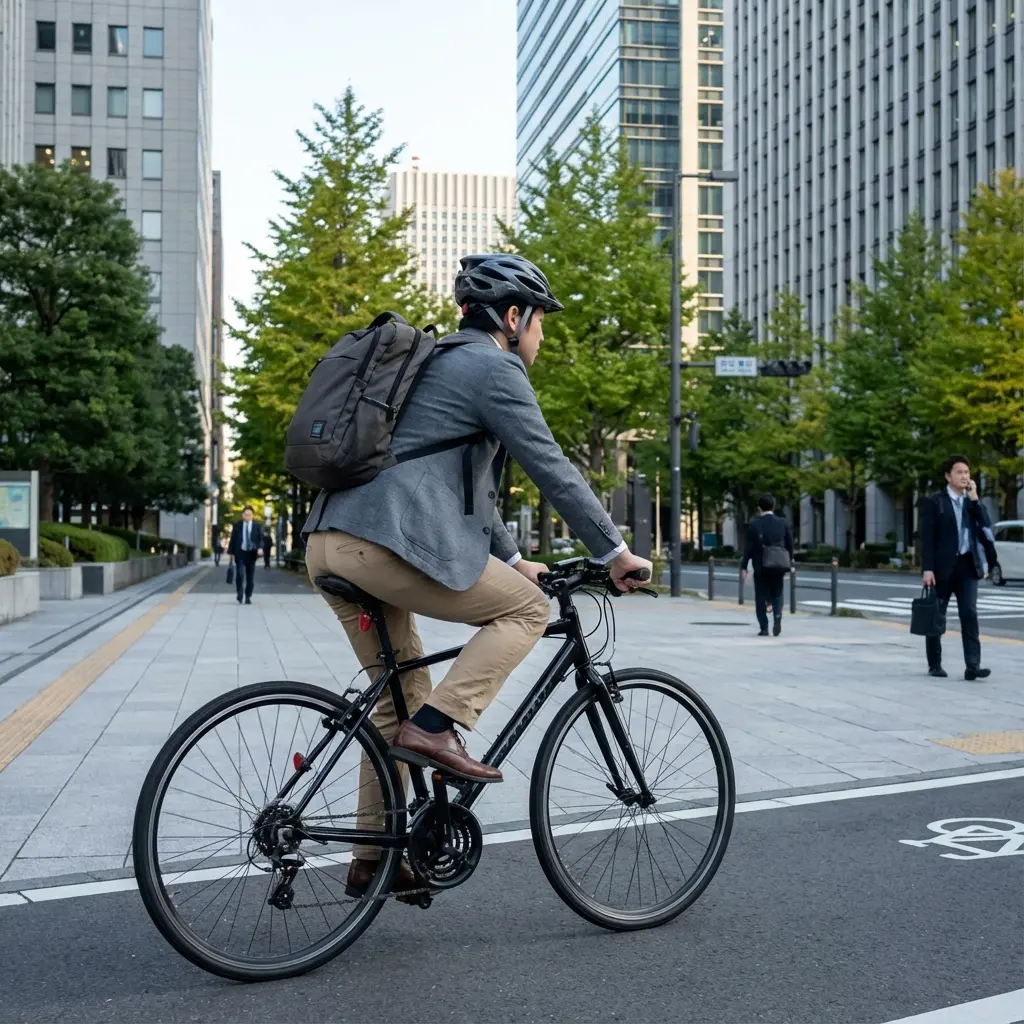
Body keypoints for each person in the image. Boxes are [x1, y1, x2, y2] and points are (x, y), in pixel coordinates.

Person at [303, 253, 653, 899]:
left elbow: (461, 488)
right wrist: (615, 551)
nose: (542, 335)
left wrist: (516, 559)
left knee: (397, 696)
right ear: (513, 317)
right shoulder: (493, 367)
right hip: (380, 545)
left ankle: (372, 860)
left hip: (328, 543)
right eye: (542, 321)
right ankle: (438, 729)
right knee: (526, 612)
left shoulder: (437, 364)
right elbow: (549, 463)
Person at [920, 454, 996, 681]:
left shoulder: (970, 501)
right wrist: (928, 568)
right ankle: (935, 664)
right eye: (959, 472)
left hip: (967, 565)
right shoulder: (936, 502)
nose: (964, 476)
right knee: (937, 616)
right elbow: (928, 537)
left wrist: (975, 499)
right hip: (942, 568)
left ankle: (973, 665)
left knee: (969, 614)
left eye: (967, 472)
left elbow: (985, 527)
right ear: (948, 476)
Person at [740, 493, 794, 637]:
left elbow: (748, 548)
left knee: (760, 596)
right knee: (778, 592)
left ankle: (764, 627)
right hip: (779, 564)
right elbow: (789, 544)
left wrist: (744, 566)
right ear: (773, 506)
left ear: (759, 508)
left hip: (761, 565)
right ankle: (777, 616)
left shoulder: (755, 524)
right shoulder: (782, 522)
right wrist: (791, 561)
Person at [227, 505, 263, 605]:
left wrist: (260, 548)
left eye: (249, 515)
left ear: (252, 516)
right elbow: (233, 540)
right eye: (245, 515)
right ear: (242, 515)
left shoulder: (257, 526)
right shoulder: (237, 526)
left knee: (250, 578)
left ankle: (248, 596)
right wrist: (231, 553)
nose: (247, 517)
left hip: (251, 554)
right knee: (240, 575)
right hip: (240, 553)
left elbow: (260, 539)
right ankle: (240, 593)